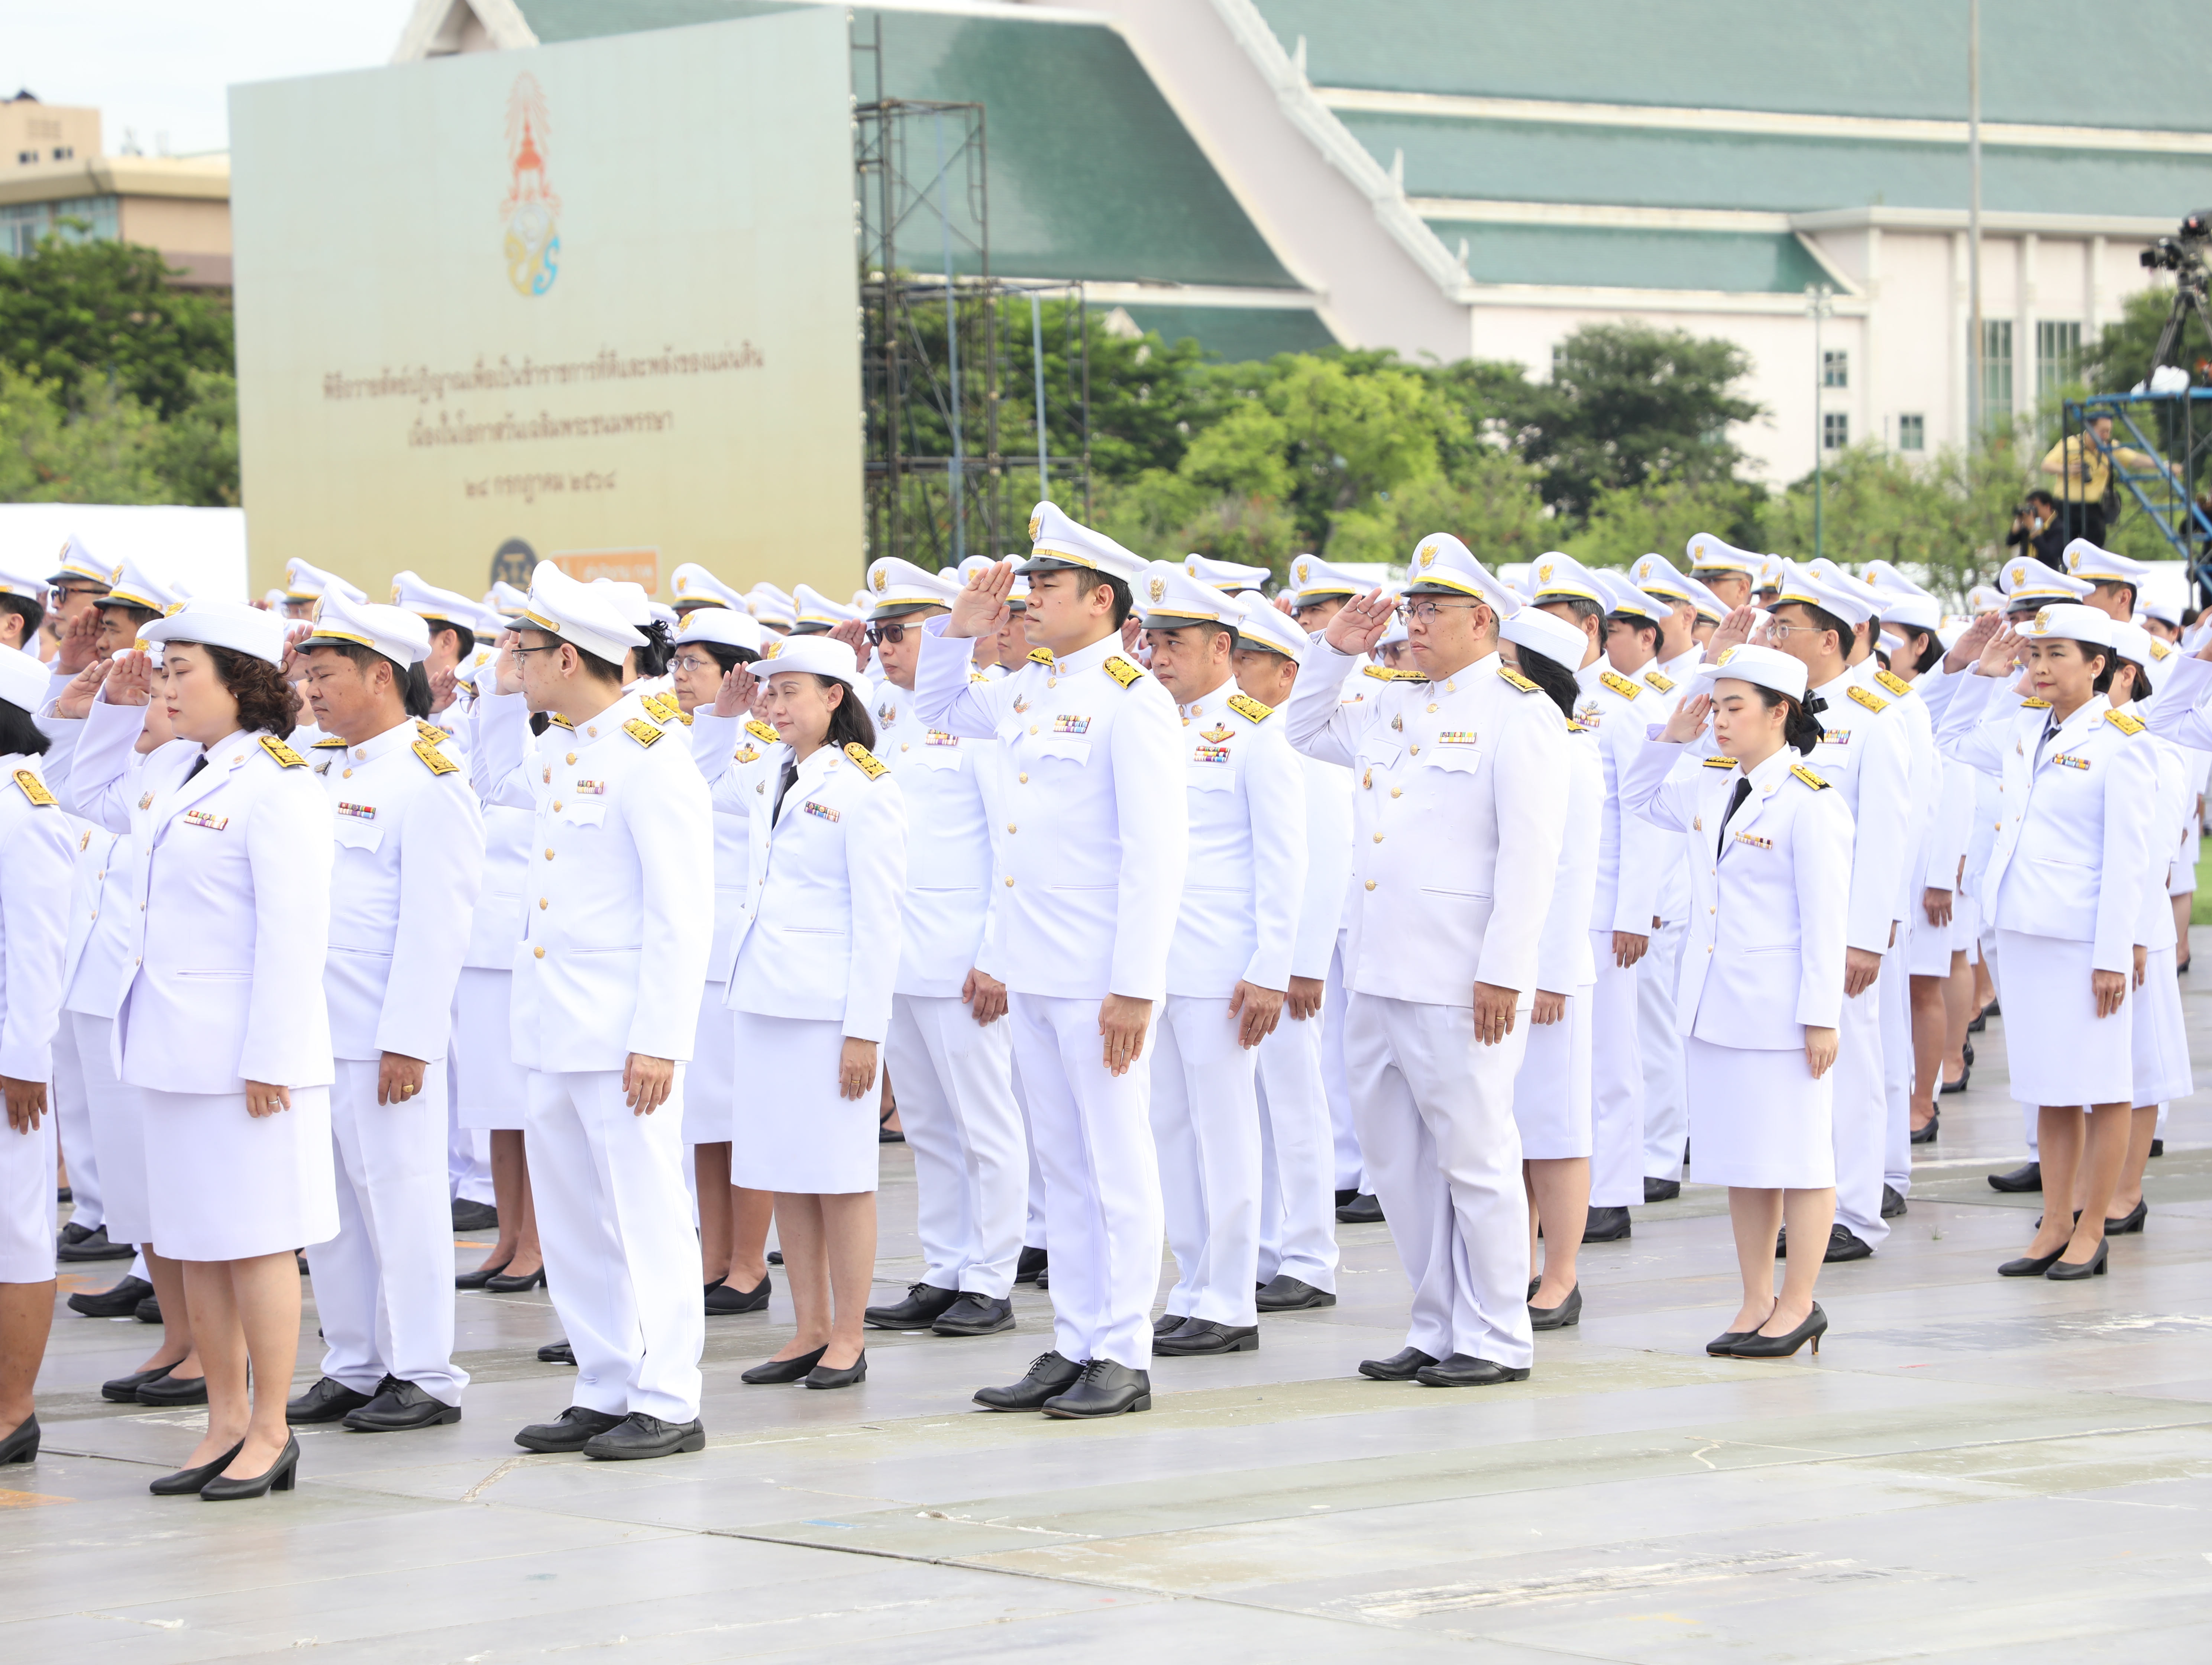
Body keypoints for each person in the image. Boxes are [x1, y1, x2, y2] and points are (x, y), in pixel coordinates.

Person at [913, 502, 1186, 1420]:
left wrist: (1133, 987)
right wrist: (959, 632)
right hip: (1032, 968)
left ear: (1100, 600)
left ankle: (1125, 1350)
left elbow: (1156, 856)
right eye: (1026, 584)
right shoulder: (1025, 688)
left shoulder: (1133, 700)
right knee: (1062, 1168)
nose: (1027, 597)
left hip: (1098, 977)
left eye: (1046, 585)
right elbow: (940, 707)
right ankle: (1074, 1340)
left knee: (1117, 1163)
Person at [69, 597, 339, 1499]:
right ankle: (223, 1418)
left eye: (184, 670)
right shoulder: (175, 771)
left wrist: (273, 1056)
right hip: (170, 1049)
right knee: (197, 1242)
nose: (168, 684)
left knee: (257, 1242)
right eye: (166, 670)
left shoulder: (280, 783)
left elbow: (296, 934)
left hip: (246, 1061)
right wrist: (113, 708)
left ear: (242, 681)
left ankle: (270, 1428)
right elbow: (83, 798)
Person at [1285, 532, 1569, 1389]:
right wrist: (1336, 650)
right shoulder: (1391, 700)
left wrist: (1504, 970)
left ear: (1481, 619)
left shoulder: (1521, 712)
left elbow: (1530, 857)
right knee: (1398, 1165)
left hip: (1459, 979)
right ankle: (1439, 1320)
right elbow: (1303, 727)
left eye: (1431, 609)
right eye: (1409, 608)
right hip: (1375, 970)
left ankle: (1498, 1333)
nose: (1412, 624)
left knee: (1476, 1159)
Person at [474, 563, 712, 1461]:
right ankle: (604, 1380)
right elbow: (489, 776)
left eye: (525, 651)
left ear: (567, 656)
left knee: (644, 1215)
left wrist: (658, 1041)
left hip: (622, 1038)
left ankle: (666, 1395)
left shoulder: (652, 757)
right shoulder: (557, 747)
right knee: (574, 1217)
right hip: (552, 1028)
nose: (515, 661)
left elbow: (680, 915)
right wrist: (500, 694)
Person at [282, 592, 484, 1433]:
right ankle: (354, 1363)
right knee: (326, 1211)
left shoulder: (430, 779)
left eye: (325, 676)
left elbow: (438, 926)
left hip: (381, 1037)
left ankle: (425, 1372)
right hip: (314, 1030)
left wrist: (409, 1040)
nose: (313, 691)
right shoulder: (319, 765)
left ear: (381, 677)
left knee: (401, 1204)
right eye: (307, 675)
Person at [1622, 645, 1851, 1357]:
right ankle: (1755, 1299)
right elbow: (1633, 797)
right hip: (1715, 1007)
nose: (1719, 721)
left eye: (1732, 707)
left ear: (1779, 712)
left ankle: (1800, 1302)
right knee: (1743, 1162)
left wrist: (1821, 1018)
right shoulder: (1709, 783)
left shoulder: (1812, 800)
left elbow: (1825, 920)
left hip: (1782, 1015)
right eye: (1715, 706)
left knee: (1800, 1161)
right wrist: (1674, 736)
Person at [707, 635, 906, 1390]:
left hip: (829, 1015)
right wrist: (722, 720)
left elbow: (879, 919)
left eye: (791, 691)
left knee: (842, 1175)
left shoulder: (866, 786)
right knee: (784, 1168)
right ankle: (808, 1326)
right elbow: (703, 782)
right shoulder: (767, 770)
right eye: (771, 691)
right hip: (764, 999)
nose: (776, 704)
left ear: (834, 696)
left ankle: (849, 1336)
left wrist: (866, 1031)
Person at [839, 560, 1025, 1341]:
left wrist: (998, 953)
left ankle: (992, 1276)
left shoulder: (981, 714)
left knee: (986, 1123)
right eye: (877, 634)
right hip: (899, 954)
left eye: (897, 633)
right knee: (927, 1126)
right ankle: (945, 1266)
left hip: (961, 957)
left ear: (944, 632)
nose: (883, 648)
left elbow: (1010, 845)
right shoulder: (879, 712)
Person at [1937, 606, 2153, 1279]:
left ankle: (2092, 1228)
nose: (2039, 667)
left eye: (2056, 654)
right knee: (2048, 1089)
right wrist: (1987, 679)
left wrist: (2114, 954)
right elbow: (1948, 736)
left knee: (2102, 1084)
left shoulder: (2122, 741)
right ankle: (2053, 1223)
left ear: (2098, 666)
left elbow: (2129, 860)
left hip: (2083, 940)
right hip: (2024, 931)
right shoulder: (2022, 727)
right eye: (2034, 654)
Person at [1135, 562, 1304, 1356]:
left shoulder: (1254, 733)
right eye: (1153, 640)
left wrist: (1272, 965)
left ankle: (1232, 1298)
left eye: (1175, 642)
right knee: (1172, 1126)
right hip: (1156, 966)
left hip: (1222, 968)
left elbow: (1284, 862)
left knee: (1225, 1131)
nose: (1158, 655)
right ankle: (1194, 1280)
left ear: (1221, 648)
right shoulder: (1148, 724)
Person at [46, 647, 207, 1400]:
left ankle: (208, 1346)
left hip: (158, 998)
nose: (157, 694)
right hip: (98, 990)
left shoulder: (196, 769)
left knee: (180, 1185)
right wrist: (96, 708)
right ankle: (177, 1335)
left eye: (169, 682)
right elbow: (69, 791)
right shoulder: (137, 771)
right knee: (135, 1184)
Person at [1742, 565, 1911, 1263]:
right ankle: (1811, 1201)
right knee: (1802, 1074)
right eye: (1773, 626)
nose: (1776, 637)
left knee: (1853, 1068)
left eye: (1788, 629)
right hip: (1786, 927)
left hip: (1843, 927)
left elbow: (1887, 831)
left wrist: (1867, 936)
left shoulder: (1876, 713)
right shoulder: (1786, 708)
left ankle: (1856, 1211)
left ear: (1832, 639)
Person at [1230, 597, 1348, 1313]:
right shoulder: (1243, 734)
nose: (1235, 673)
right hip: (1244, 958)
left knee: (1295, 1106)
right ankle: (1269, 1249)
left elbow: (1326, 856)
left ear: (1287, 673)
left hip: (1289, 967)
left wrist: (1303, 963)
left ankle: (1310, 1255)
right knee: (1254, 1110)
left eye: (1247, 661)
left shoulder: (1306, 742)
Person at [662, 607, 776, 1318]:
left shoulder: (760, 743)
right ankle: (713, 1258)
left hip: (736, 955)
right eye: (676, 663)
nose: (678, 676)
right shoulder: (679, 739)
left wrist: (728, 726)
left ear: (736, 674)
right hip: (692, 957)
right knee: (703, 1122)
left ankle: (748, 1264)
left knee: (743, 1120)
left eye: (694, 665)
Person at [1495, 604, 1600, 1328]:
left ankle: (1561, 1273)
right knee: (1510, 1127)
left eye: (1504, 659)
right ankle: (1521, 1262)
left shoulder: (1572, 749)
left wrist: (1555, 971)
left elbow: (1571, 872)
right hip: (1506, 965)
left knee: (1555, 1130)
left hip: (1551, 973)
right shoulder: (1518, 738)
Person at [0, 647, 75, 1467]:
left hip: (5, 1064)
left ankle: (12, 1409)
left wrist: (25, 1060)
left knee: (16, 1232)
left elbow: (39, 950)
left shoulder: (23, 809)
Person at [2041, 416, 2180, 546]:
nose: (2106, 436)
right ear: (2090, 429)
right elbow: (2046, 465)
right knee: (2064, 546)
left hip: (2091, 507)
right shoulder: (2070, 444)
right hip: (2066, 507)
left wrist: (2165, 466)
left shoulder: (2111, 448)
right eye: (2103, 432)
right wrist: (2069, 469)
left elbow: (2136, 460)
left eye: (2108, 432)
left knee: (2096, 543)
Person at [2004, 490, 2067, 570]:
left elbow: (2050, 556)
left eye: (2034, 508)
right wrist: (2018, 522)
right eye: (2029, 507)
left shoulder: (2059, 528)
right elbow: (2010, 542)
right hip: (2025, 572)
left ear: (2048, 507)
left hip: (2046, 573)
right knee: (1999, 582)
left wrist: (2033, 530)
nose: (2032, 511)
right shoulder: (2031, 523)